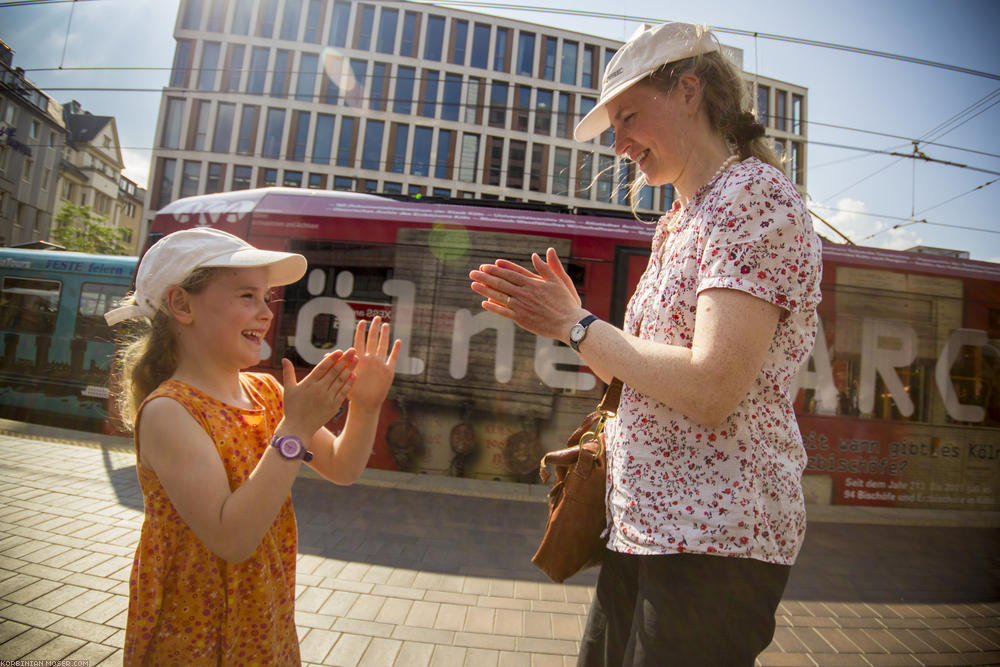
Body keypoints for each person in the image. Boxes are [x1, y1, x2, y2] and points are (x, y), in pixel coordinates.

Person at [470, 21, 822, 667]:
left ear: (689, 91)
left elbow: (713, 388)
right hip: (645, 529)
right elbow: (650, 372)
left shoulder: (754, 198)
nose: (621, 144)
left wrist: (577, 326)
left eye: (629, 117)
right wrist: (572, 325)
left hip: (713, 545)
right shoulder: (679, 220)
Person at [105, 227, 400, 665]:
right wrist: (295, 430)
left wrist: (367, 405)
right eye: (247, 296)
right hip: (192, 640)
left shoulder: (266, 391)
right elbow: (232, 538)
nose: (265, 312)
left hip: (263, 627)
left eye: (266, 298)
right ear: (181, 305)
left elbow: (342, 466)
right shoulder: (170, 411)